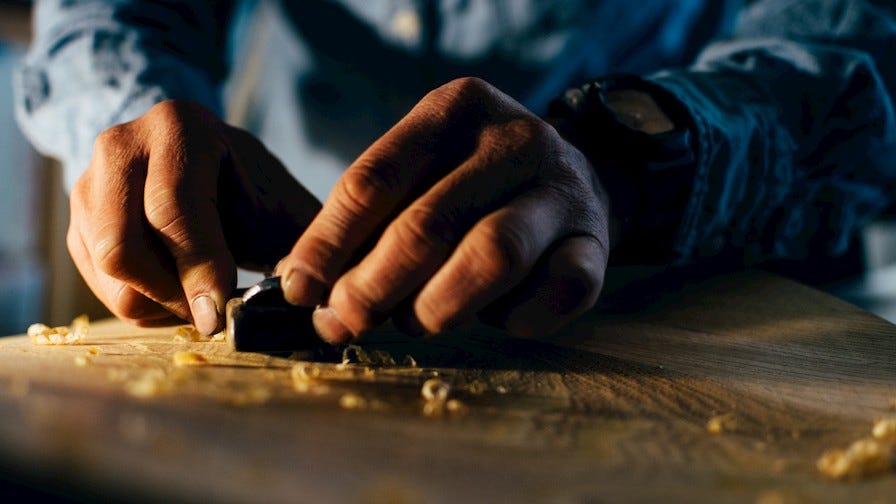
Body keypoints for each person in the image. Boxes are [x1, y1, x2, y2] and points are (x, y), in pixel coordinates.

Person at [14, 0, 896, 344]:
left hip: (704, 294)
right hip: (298, 277)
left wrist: (622, 161)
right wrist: (130, 108)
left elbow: (858, 52)